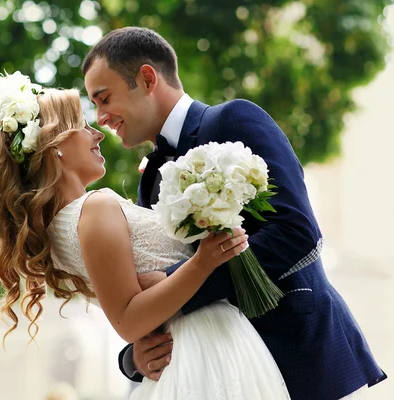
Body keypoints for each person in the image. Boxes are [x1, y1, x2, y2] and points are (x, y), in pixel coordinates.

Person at [81, 26, 387, 399]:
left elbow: (296, 231)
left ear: (146, 78)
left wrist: (176, 282)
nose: (100, 116)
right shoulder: (150, 180)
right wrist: (134, 358)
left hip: (294, 352)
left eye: (104, 98)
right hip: (216, 371)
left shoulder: (233, 120)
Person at [0, 80, 291, 398]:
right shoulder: (95, 208)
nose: (98, 133)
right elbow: (128, 319)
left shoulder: (57, 231)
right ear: (54, 145)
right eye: (83, 125)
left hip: (188, 347)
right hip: (202, 347)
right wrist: (202, 261)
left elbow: (130, 299)